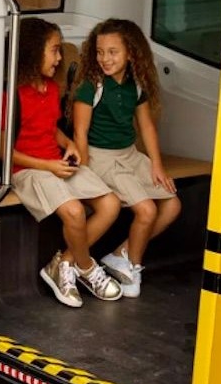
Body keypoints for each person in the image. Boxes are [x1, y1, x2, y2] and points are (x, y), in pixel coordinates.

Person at [4, 17, 125, 307]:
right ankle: (86, 268)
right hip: (28, 170)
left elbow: (50, 128)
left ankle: (63, 264)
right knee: (74, 211)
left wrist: (68, 144)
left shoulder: (52, 89)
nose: (60, 58)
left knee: (111, 204)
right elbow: (2, 151)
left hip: (55, 162)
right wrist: (48, 166)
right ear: (34, 52)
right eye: (55, 50)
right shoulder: (12, 94)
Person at [72, 18, 182, 298]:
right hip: (102, 158)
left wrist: (156, 165)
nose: (104, 59)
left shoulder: (135, 85)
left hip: (130, 156)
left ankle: (121, 254)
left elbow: (146, 126)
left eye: (112, 52)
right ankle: (132, 268)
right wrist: (83, 174)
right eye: (99, 52)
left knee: (172, 205)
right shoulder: (92, 85)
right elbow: (80, 132)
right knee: (146, 210)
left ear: (131, 53)